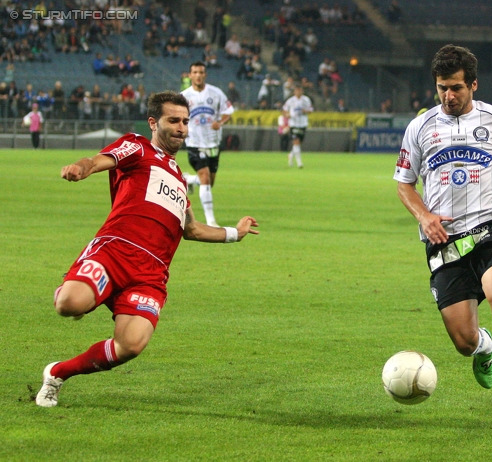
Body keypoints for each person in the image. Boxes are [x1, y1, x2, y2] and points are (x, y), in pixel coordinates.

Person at [35, 91, 259, 408]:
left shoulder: (180, 180)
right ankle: (75, 286)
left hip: (150, 275)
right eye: (173, 120)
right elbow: (99, 160)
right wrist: (80, 167)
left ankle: (57, 373)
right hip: (115, 252)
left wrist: (235, 233)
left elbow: (191, 229)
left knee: (131, 344)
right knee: (69, 304)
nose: (181, 128)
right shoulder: (138, 147)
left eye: (185, 121)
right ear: (154, 122)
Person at [394, 44, 492, 425]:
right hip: (443, 240)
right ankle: (484, 347)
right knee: (464, 341)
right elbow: (404, 183)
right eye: (441, 88)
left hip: (490, 225)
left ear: (473, 85)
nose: (448, 96)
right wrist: (424, 216)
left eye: (456, 88)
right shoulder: (420, 127)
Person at [181, 61, 235, 226]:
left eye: (201, 72)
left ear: (205, 74)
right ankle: (211, 221)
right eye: (195, 72)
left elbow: (229, 112)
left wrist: (220, 122)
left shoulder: (216, 93)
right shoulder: (183, 97)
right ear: (190, 75)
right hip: (194, 143)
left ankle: (189, 180)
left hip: (213, 143)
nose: (198, 75)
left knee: (209, 182)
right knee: (204, 178)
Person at [282, 84, 314, 168]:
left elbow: (311, 110)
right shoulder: (290, 100)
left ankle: (291, 156)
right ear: (294, 91)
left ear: (302, 91)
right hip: (294, 123)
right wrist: (287, 114)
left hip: (303, 123)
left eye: (300, 90)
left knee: (298, 143)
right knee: (295, 141)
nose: (298, 92)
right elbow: (284, 110)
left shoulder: (306, 100)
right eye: (297, 90)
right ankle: (299, 163)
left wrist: (305, 111)